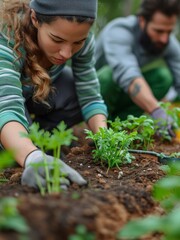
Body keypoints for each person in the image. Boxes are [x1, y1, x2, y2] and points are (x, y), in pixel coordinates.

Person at [0, 0, 108, 190]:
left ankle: (40, 142)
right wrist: (31, 157)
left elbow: (89, 94)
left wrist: (105, 140)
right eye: (57, 40)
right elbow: (6, 105)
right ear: (35, 19)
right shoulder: (6, 37)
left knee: (72, 89)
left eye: (77, 42)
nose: (66, 53)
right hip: (7, 98)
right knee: (8, 153)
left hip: (32, 94)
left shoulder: (84, 41)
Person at [95, 0, 180, 137]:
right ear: (142, 20)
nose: (164, 39)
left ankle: (122, 127)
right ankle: (101, 131)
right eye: (159, 31)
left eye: (169, 32)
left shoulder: (167, 42)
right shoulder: (119, 31)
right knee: (108, 75)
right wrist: (157, 111)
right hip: (91, 96)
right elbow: (127, 74)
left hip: (122, 94)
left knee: (162, 77)